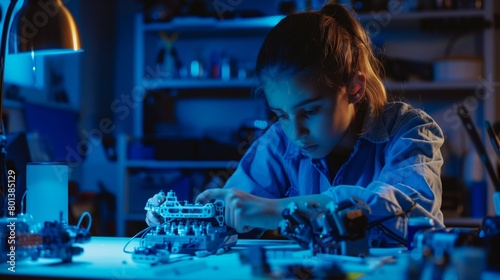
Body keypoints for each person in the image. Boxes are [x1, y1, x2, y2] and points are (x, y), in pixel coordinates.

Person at [145, 1, 444, 248]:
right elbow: (236, 214)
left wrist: (279, 210)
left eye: (310, 110)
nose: (296, 133)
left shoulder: (411, 131)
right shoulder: (279, 142)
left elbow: (408, 216)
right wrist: (188, 217)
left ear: (354, 88)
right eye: (282, 115)